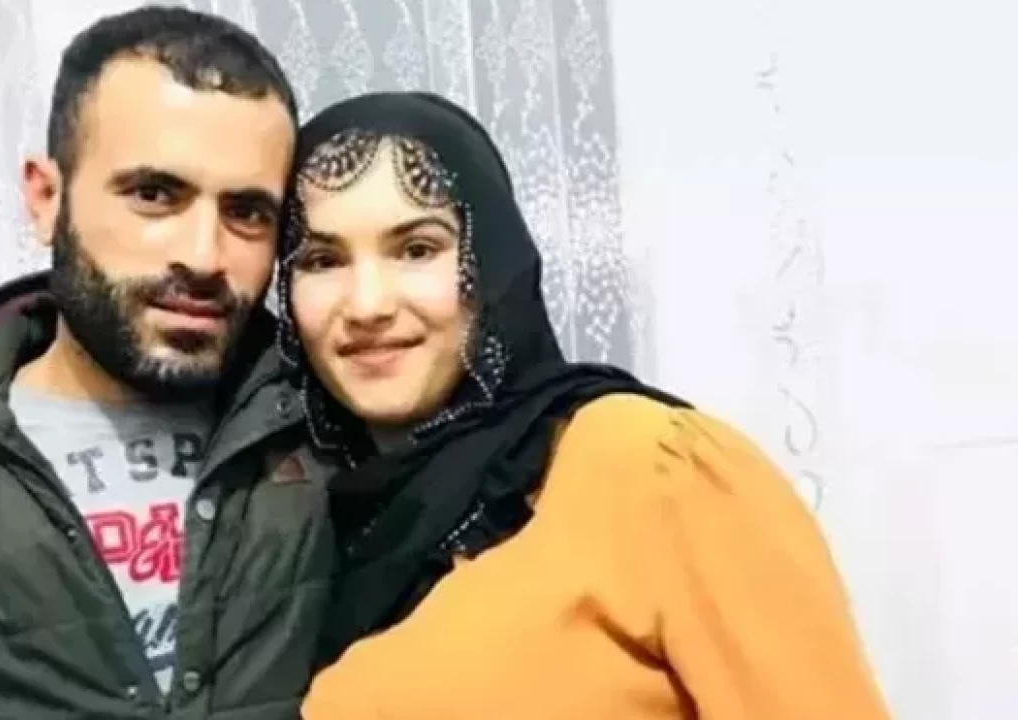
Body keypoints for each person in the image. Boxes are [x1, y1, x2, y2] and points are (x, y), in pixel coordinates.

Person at [0, 7, 335, 720]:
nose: (203, 255)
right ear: (47, 198)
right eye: (154, 195)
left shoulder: (324, 429)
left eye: (248, 212)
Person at [275, 92, 893, 719]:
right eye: (323, 260)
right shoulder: (300, 530)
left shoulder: (653, 469)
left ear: (492, 265)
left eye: (417, 250)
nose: (368, 304)